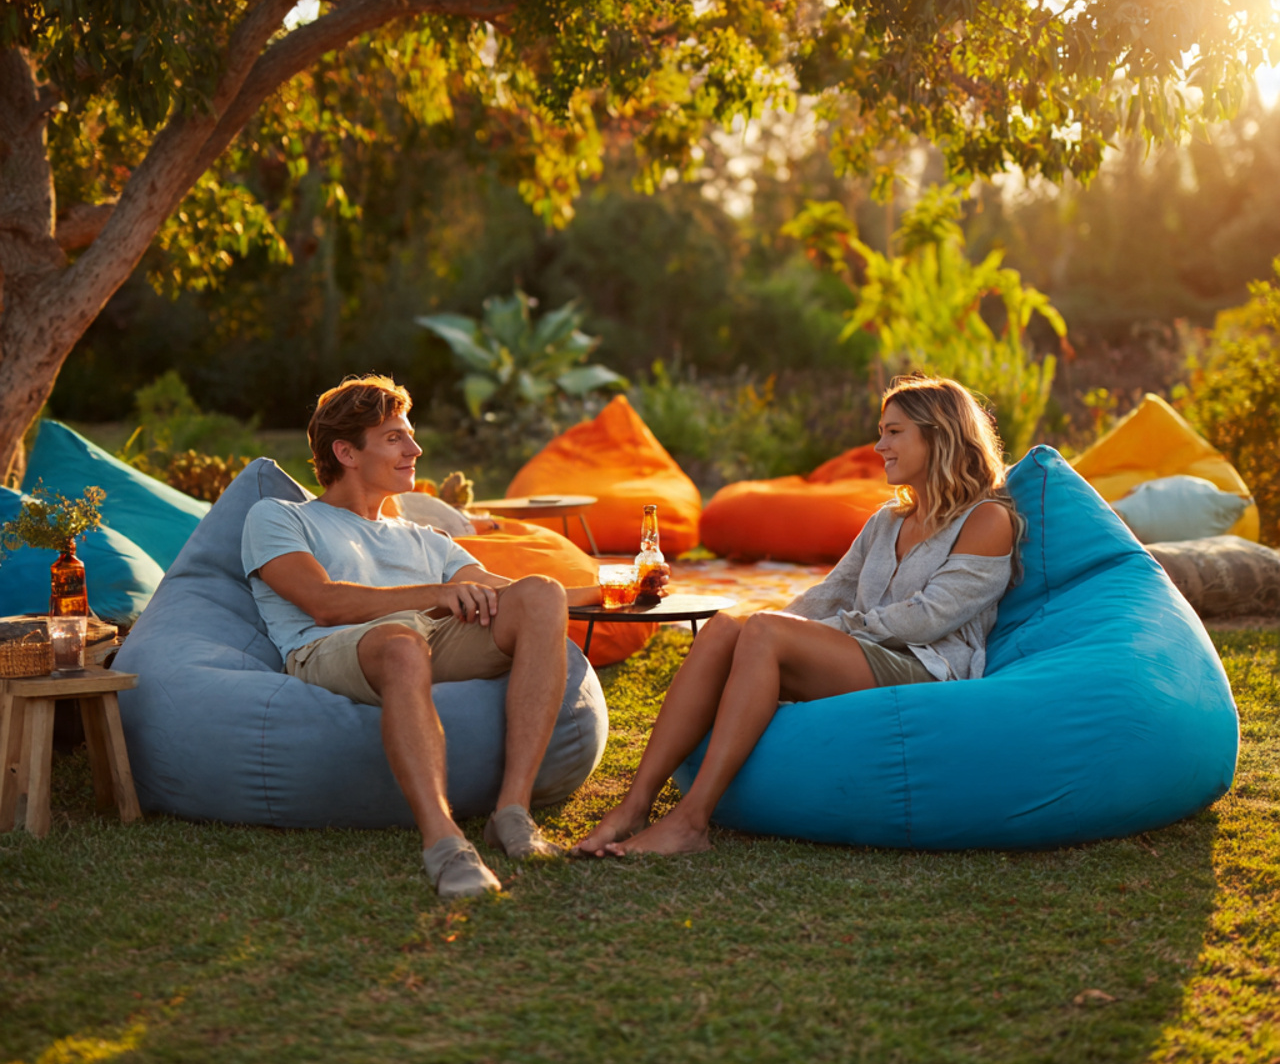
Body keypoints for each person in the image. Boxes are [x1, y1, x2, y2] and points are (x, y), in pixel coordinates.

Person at [574, 375, 1018, 858]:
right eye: (881, 431)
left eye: (894, 432)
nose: (878, 445)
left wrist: (800, 634)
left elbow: (928, 620)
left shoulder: (986, 520)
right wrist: (762, 634)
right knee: (728, 627)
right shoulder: (888, 520)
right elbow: (830, 593)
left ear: (940, 435)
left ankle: (691, 821)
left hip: (926, 668)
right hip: (864, 654)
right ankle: (634, 806)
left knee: (764, 631)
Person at [241, 375, 645, 899]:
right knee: (402, 643)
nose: (416, 449)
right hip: (335, 647)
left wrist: (616, 591)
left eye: (410, 435)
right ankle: (445, 843)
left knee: (540, 592)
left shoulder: (425, 537)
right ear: (346, 452)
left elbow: (509, 593)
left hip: (431, 637)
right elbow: (323, 604)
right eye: (394, 438)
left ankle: (512, 813)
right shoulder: (280, 516)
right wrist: (434, 595)